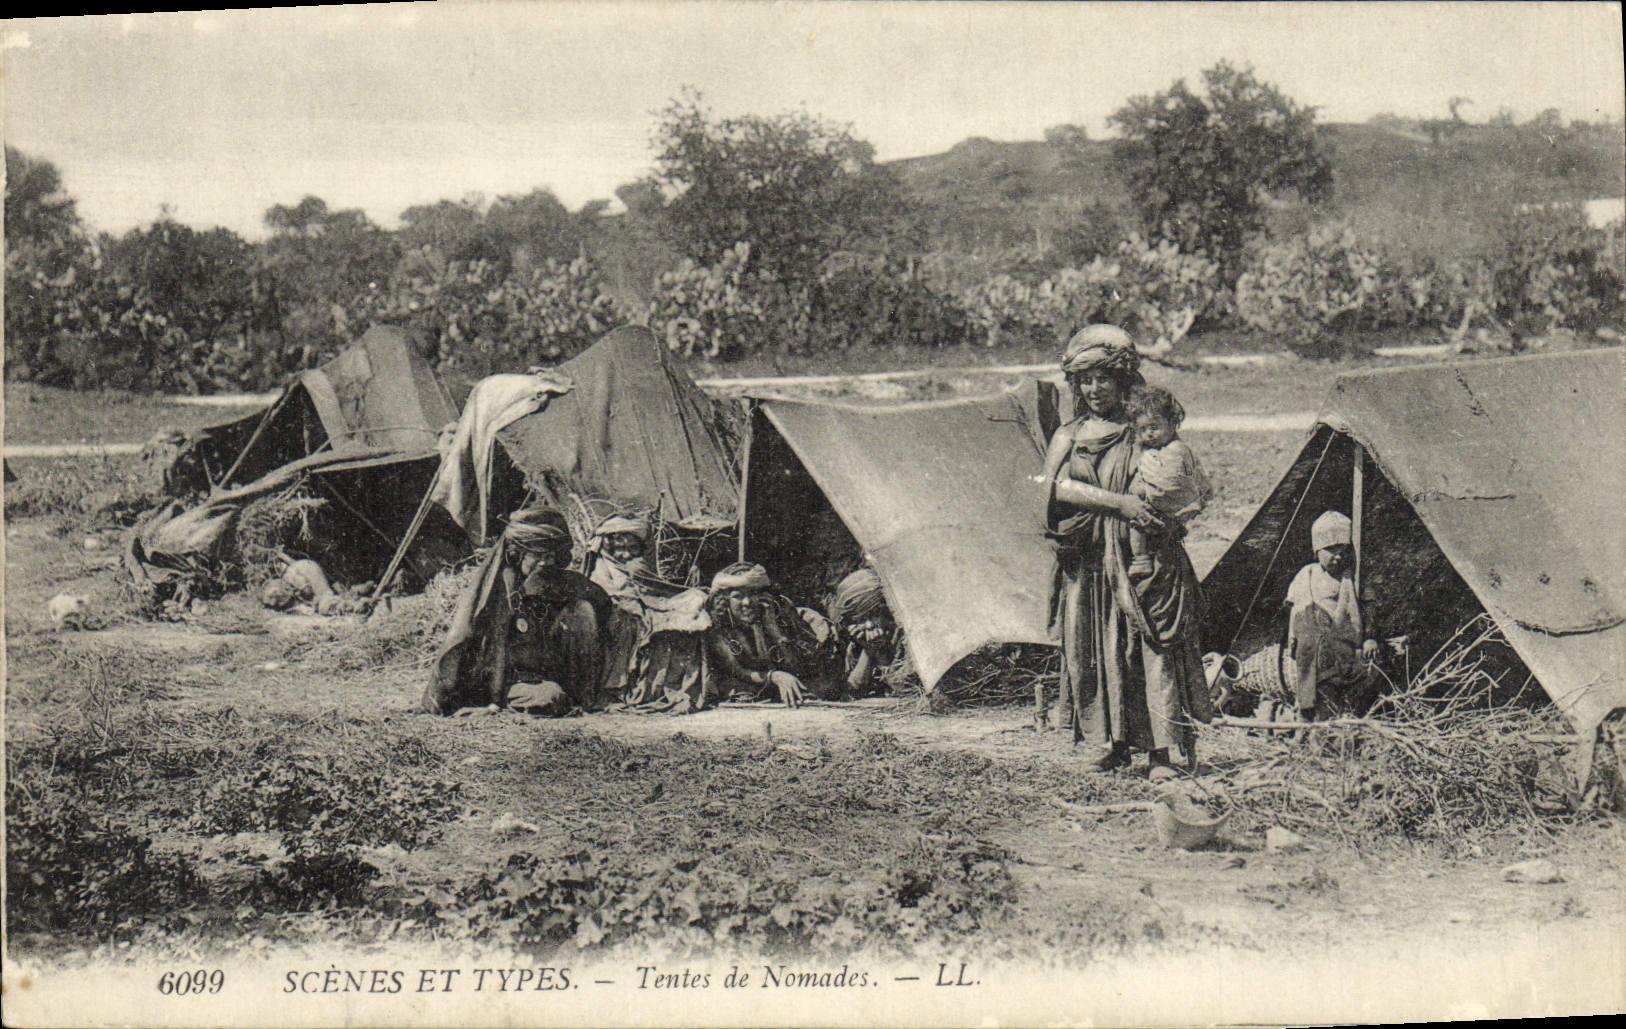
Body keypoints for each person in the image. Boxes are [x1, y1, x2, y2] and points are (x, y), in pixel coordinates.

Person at [1041, 324, 1213, 781]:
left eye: (1104, 378)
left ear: (1123, 380)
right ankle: (1113, 744)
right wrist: (1118, 503)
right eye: (1085, 380)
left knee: (1145, 649)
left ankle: (1160, 752)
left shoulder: (1144, 430)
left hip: (1140, 563)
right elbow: (1052, 487)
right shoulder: (1069, 435)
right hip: (1089, 563)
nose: (1095, 389)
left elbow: (1177, 479)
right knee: (1094, 650)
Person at [422, 507, 612, 716]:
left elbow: (602, 602)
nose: (545, 563)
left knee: (583, 610)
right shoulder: (504, 586)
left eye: (550, 556)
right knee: (552, 697)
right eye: (537, 556)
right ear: (518, 555)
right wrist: (494, 703)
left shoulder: (556, 579)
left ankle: (585, 696)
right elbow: (498, 646)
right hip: (505, 679)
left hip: (545, 672)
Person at [585, 513, 714, 713]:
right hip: (618, 612)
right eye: (620, 549)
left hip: (646, 607)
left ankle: (667, 686)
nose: (625, 555)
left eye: (632, 548)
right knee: (627, 621)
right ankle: (616, 689)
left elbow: (654, 590)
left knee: (692, 608)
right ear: (609, 547)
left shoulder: (639, 566)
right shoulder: (601, 569)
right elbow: (605, 593)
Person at [1285, 510, 1382, 723]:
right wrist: (1293, 638)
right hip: (1314, 654)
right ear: (1316, 551)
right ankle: (1308, 715)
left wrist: (1369, 637)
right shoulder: (1306, 575)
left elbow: (1368, 607)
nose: (1337, 556)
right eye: (1330, 550)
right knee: (1317, 696)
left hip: (1346, 647)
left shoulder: (1353, 578)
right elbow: (1296, 610)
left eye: (1342, 550)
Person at [706, 562, 837, 708]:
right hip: (748, 682)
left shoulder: (779, 614)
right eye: (737, 596)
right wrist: (774, 676)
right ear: (725, 601)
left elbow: (798, 665)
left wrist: (774, 631)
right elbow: (737, 670)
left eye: (753, 594)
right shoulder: (719, 626)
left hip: (784, 677)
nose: (747, 602)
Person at [1123, 384, 1213, 578]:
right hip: (1166, 507)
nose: (1149, 434)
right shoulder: (1152, 449)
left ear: (1172, 423)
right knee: (1141, 522)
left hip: (1170, 501)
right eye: (1143, 429)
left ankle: (1140, 558)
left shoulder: (1177, 449)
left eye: (1154, 427)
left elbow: (1182, 477)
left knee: (1139, 518)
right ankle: (1141, 558)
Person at [828, 567, 902, 698]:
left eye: (874, 614)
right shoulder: (855, 644)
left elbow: (902, 688)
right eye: (861, 619)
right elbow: (853, 689)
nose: (868, 624)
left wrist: (882, 655)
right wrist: (869, 651)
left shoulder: (903, 637)